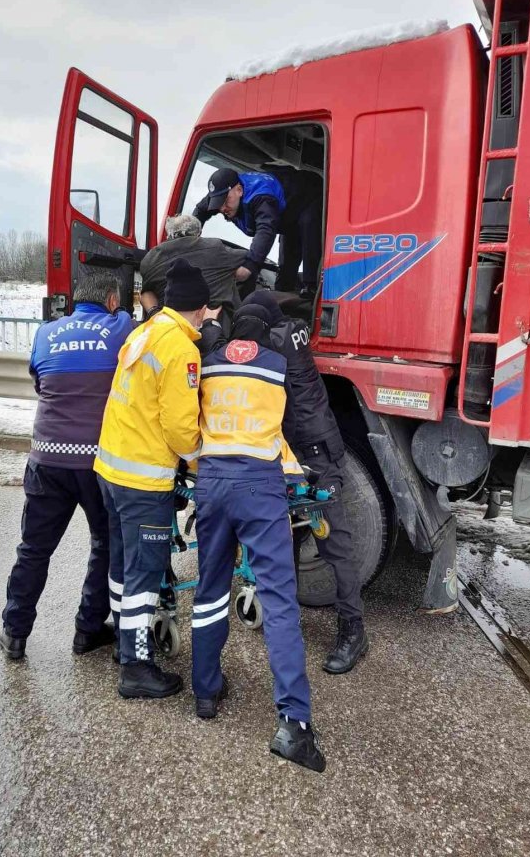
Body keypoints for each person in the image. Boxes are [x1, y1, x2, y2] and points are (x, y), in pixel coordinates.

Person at [191, 303, 326, 773]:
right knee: (281, 601)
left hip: (211, 484)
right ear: (267, 332)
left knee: (209, 591)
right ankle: (293, 723)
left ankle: (205, 692)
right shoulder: (278, 365)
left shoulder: (206, 361)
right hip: (259, 488)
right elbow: (291, 429)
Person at [0, 271, 133, 661]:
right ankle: (88, 629)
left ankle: (14, 633)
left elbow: (40, 382)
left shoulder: (46, 333)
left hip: (46, 460)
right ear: (111, 301)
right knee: (105, 544)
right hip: (96, 463)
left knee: (34, 550)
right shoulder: (120, 326)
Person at [94, 258, 207, 699]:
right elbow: (181, 429)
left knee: (122, 566)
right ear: (200, 309)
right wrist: (201, 462)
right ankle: (137, 668)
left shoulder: (143, 332)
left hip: (112, 470)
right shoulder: (182, 349)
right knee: (143, 573)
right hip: (142, 482)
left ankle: (126, 643)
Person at [243, 290, 368, 674]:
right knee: (289, 538)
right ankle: (287, 620)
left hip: (312, 455)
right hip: (298, 450)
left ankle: (354, 632)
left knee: (333, 543)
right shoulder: (292, 331)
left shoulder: (275, 344)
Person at [193, 166, 323, 298]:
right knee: (284, 277)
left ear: (239, 190)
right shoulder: (222, 191)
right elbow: (199, 212)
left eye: (225, 201)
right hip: (284, 210)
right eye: (218, 203)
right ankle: (284, 293)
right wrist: (188, 236)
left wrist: (250, 265)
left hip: (308, 195)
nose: (222, 208)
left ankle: (312, 288)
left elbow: (266, 230)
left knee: (307, 228)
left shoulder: (261, 197)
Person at [139, 213, 251, 335]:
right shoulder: (216, 248)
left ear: (169, 234)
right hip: (215, 331)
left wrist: (154, 313)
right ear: (198, 234)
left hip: (169, 330)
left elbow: (146, 293)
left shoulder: (150, 259)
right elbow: (250, 257)